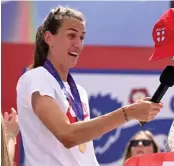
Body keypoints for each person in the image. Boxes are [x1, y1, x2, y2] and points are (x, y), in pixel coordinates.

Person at [16, 6, 163, 166]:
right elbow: (68, 136)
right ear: (49, 38)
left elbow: (84, 154)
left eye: (82, 37)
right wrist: (129, 112)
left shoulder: (79, 92)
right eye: (71, 35)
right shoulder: (36, 78)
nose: (78, 44)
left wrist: (131, 113)